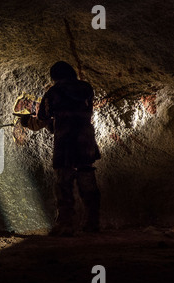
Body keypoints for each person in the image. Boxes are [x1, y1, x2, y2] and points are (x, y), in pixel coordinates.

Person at [19, 61, 101, 236]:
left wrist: (26, 122)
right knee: (87, 178)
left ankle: (65, 224)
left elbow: (43, 118)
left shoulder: (54, 92)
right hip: (86, 140)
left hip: (65, 140)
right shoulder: (86, 89)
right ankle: (92, 223)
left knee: (64, 182)